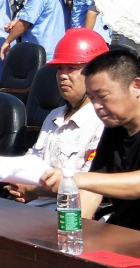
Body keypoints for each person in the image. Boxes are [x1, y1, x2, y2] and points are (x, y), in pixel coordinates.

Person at [40, 50, 140, 230]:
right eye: (92, 98)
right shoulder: (114, 128)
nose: (97, 106)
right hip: (122, 234)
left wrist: (75, 178)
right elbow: (94, 189)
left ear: (136, 86)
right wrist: (70, 231)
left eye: (103, 97)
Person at [5, 29, 106, 207]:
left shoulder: (102, 122)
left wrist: (36, 190)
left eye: (72, 68)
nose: (63, 76)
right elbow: (34, 160)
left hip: (66, 213)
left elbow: (89, 185)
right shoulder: (54, 116)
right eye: (60, 68)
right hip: (29, 209)